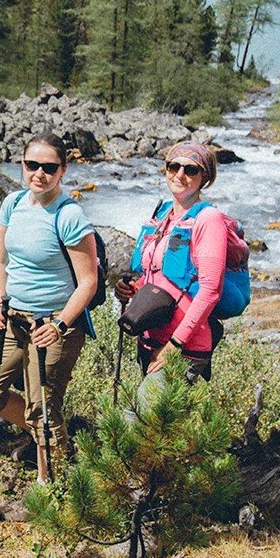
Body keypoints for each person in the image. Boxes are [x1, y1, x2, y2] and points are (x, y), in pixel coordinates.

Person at [0, 133, 99, 479]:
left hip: (55, 325)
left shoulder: (69, 216)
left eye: (49, 167)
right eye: (31, 165)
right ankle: (49, 438)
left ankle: (49, 481)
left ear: (63, 171)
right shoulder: (13, 204)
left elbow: (88, 281)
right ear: (22, 166)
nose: (39, 173)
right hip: (12, 318)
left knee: (44, 406)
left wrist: (59, 326)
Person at [116, 141, 232, 384]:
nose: (180, 175)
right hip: (150, 339)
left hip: (182, 348)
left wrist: (174, 346)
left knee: (137, 420)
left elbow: (210, 292)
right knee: (151, 421)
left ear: (205, 178)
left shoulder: (209, 220)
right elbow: (158, 277)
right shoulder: (162, 214)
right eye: (173, 167)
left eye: (191, 170)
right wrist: (131, 289)